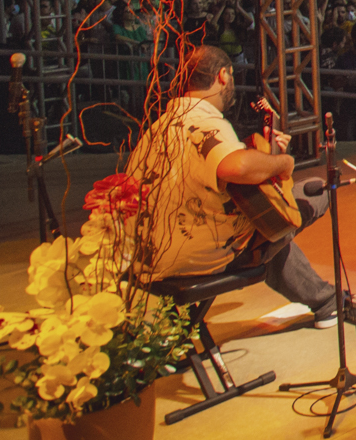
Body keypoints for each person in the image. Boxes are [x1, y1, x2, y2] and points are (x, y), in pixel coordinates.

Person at [131, 45, 339, 326]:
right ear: (223, 76)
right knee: (309, 195)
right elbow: (236, 167)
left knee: (267, 231)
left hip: (151, 256)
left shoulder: (159, 127)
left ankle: (326, 302)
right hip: (196, 256)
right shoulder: (204, 122)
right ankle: (327, 303)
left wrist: (266, 155)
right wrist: (283, 162)